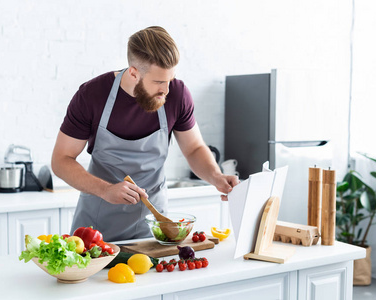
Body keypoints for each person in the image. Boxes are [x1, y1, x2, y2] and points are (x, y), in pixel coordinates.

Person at [51, 26, 239, 242]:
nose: (167, 90)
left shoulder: (177, 94)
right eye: (159, 82)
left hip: (154, 226)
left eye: (170, 80)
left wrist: (215, 176)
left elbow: (194, 148)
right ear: (133, 73)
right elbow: (61, 160)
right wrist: (106, 190)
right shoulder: (92, 96)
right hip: (97, 226)